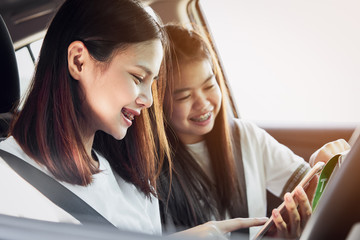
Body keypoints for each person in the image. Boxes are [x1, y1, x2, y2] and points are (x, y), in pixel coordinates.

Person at [0, 0, 267, 238]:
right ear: (79, 61)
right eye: (138, 78)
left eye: (152, 83)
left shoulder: (133, 178)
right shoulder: (8, 180)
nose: (149, 100)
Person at [156, 24, 350, 239]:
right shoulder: (150, 166)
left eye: (210, 85)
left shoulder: (245, 136)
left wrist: (322, 169)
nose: (203, 104)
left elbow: (309, 192)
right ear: (158, 102)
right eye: (184, 97)